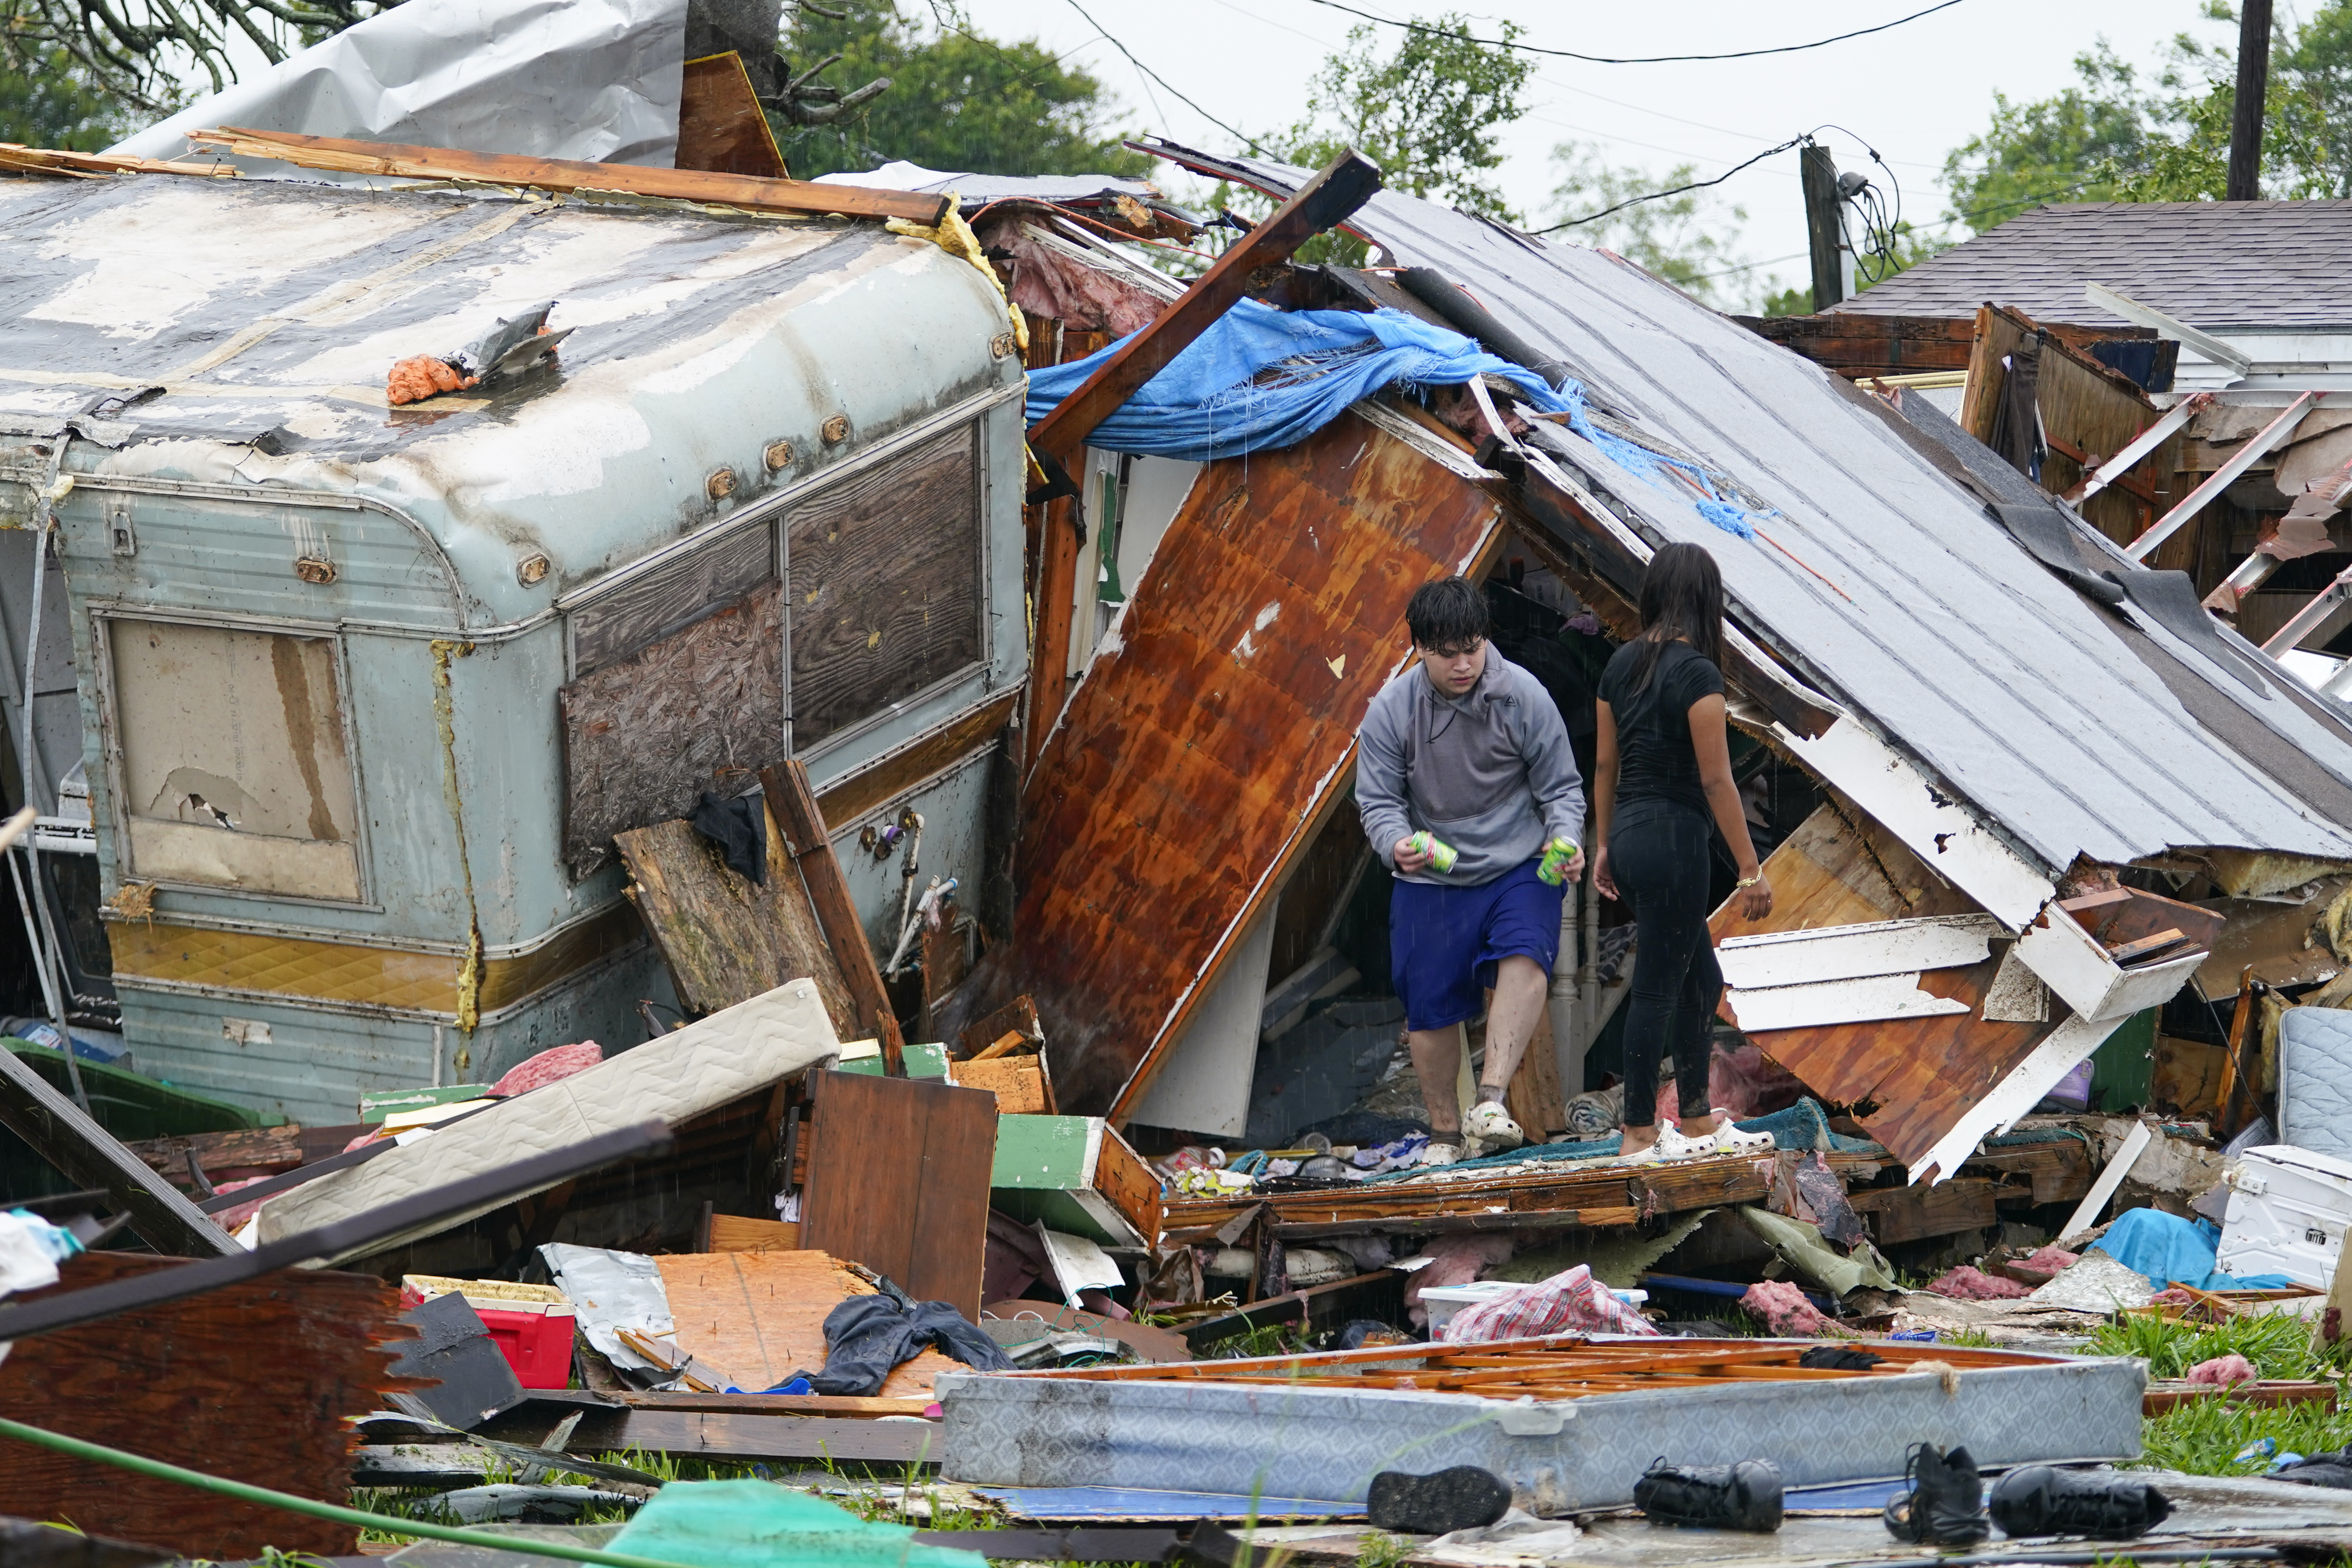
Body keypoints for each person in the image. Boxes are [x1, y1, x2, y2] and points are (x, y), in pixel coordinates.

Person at [1357, 576, 1587, 1166]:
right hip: (1433, 867)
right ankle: (1444, 1134)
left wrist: (1566, 839)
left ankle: (1490, 1101)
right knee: (1428, 1003)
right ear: (1419, 649)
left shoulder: (1524, 696)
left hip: (1519, 861)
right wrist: (1394, 843)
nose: (1463, 664)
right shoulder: (1391, 711)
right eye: (1448, 652)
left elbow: (1562, 788)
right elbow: (1378, 801)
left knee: (1526, 953)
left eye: (1473, 648)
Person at [1590, 542, 1775, 1162]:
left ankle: (1695, 1120)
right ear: (1706, 603)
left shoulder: (1618, 667)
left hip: (1632, 838)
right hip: (1675, 842)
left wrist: (1603, 845)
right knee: (1657, 988)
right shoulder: (1698, 674)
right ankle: (1639, 1131)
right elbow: (1718, 780)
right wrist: (1750, 869)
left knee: (1702, 979)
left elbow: (1606, 765)